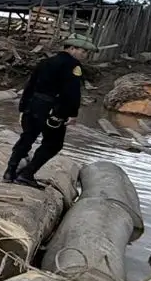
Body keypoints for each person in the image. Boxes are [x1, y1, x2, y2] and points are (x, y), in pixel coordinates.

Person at [6, 35, 95, 187]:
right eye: (83, 51)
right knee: (53, 144)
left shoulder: (45, 62)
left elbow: (29, 86)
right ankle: (27, 174)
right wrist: (71, 114)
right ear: (72, 48)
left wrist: (23, 108)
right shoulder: (73, 66)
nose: (85, 55)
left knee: (27, 138)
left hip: (32, 106)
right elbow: (72, 93)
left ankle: (10, 172)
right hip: (52, 110)